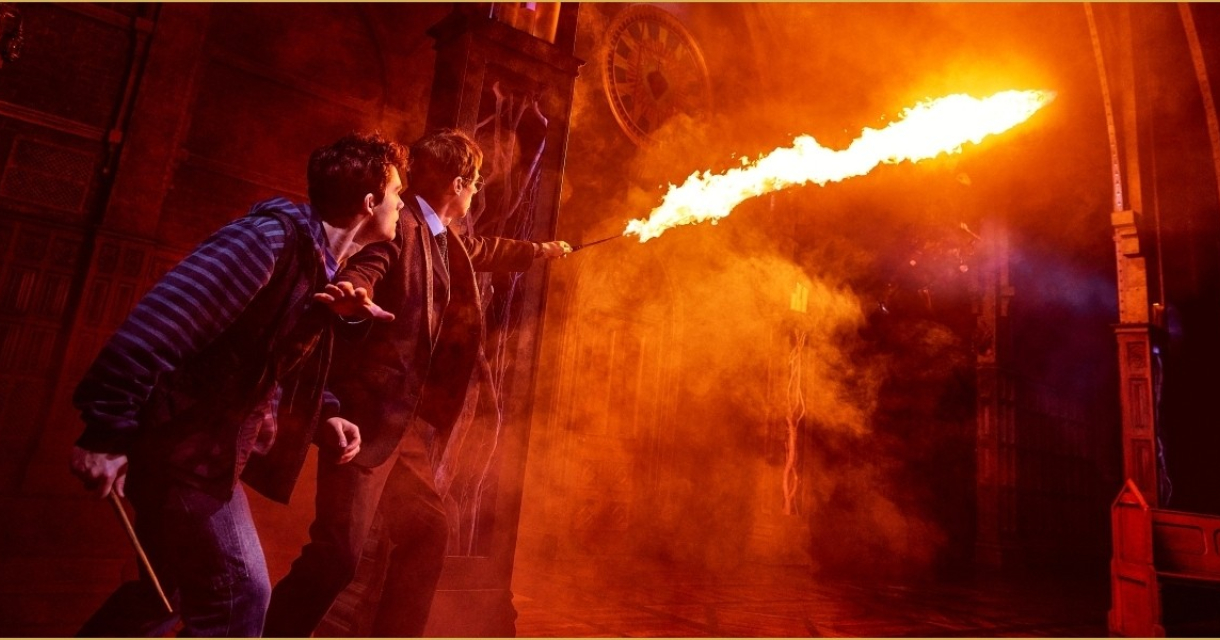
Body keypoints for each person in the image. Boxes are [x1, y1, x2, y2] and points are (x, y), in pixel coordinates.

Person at [68, 132, 408, 637]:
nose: (402, 205)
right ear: (370, 200)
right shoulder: (266, 240)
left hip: (210, 450)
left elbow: (268, 360)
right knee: (240, 597)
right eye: (397, 193)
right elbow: (158, 325)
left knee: (167, 594)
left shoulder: (318, 262)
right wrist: (105, 434)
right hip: (184, 450)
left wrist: (327, 412)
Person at [264, 128, 570, 637]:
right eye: (473, 186)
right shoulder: (399, 229)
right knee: (337, 556)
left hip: (401, 431)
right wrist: (353, 291)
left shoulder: (444, 238)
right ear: (458, 184)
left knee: (428, 531)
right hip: (365, 420)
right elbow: (369, 263)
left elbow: (485, 248)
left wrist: (542, 250)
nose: (475, 195)